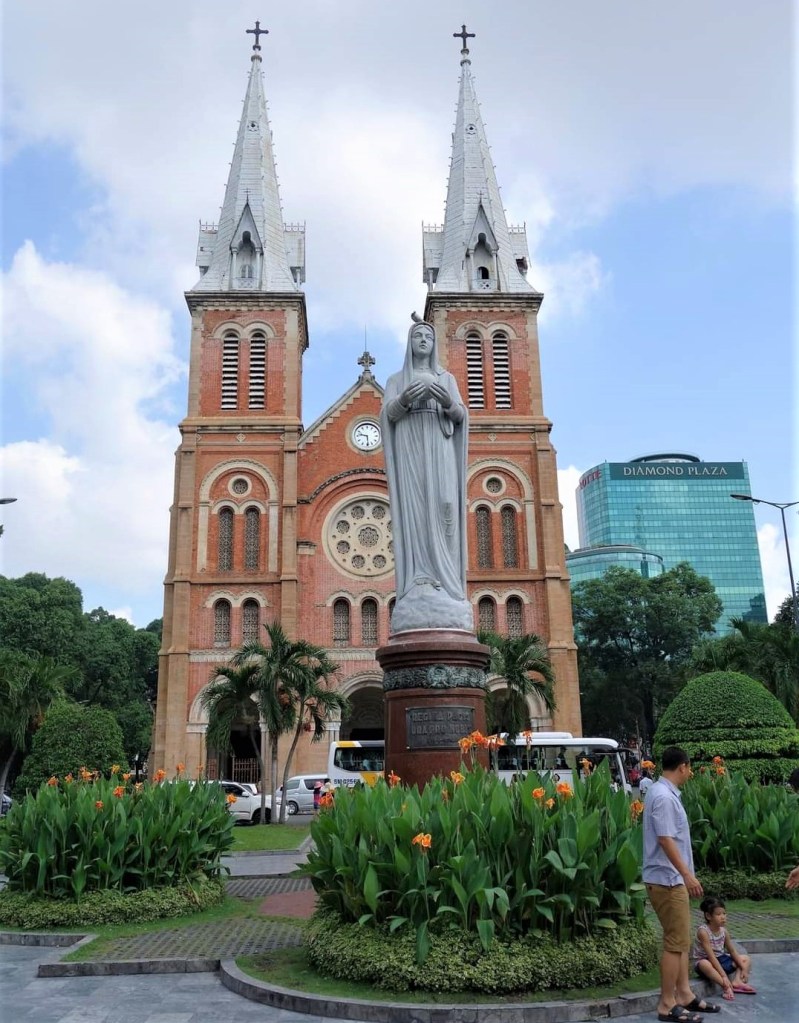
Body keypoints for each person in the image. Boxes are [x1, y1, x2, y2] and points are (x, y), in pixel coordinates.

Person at [381, 315, 471, 633]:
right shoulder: (396, 380)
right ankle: (420, 576)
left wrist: (447, 402)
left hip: (440, 447)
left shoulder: (447, 378)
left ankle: (446, 581)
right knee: (417, 513)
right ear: (409, 343)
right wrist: (405, 399)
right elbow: (387, 415)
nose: (423, 340)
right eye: (417, 335)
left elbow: (460, 415)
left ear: (434, 345)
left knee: (446, 505)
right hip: (411, 451)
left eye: (428, 336)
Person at [643, 746, 713, 1023]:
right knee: (674, 943)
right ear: (682, 766)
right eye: (689, 767)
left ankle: (683, 994)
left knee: (681, 940)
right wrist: (687, 875)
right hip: (668, 880)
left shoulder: (663, 792)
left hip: (669, 879)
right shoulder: (663, 796)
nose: (690, 772)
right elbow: (665, 839)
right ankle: (666, 1003)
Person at [692, 896, 755, 998]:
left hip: (721, 960)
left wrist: (743, 968)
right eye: (718, 914)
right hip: (708, 963)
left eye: (724, 913)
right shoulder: (703, 932)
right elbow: (711, 957)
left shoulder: (724, 931)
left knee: (745, 959)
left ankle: (737, 982)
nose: (723, 917)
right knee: (704, 963)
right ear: (708, 916)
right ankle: (726, 987)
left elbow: (732, 951)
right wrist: (724, 976)